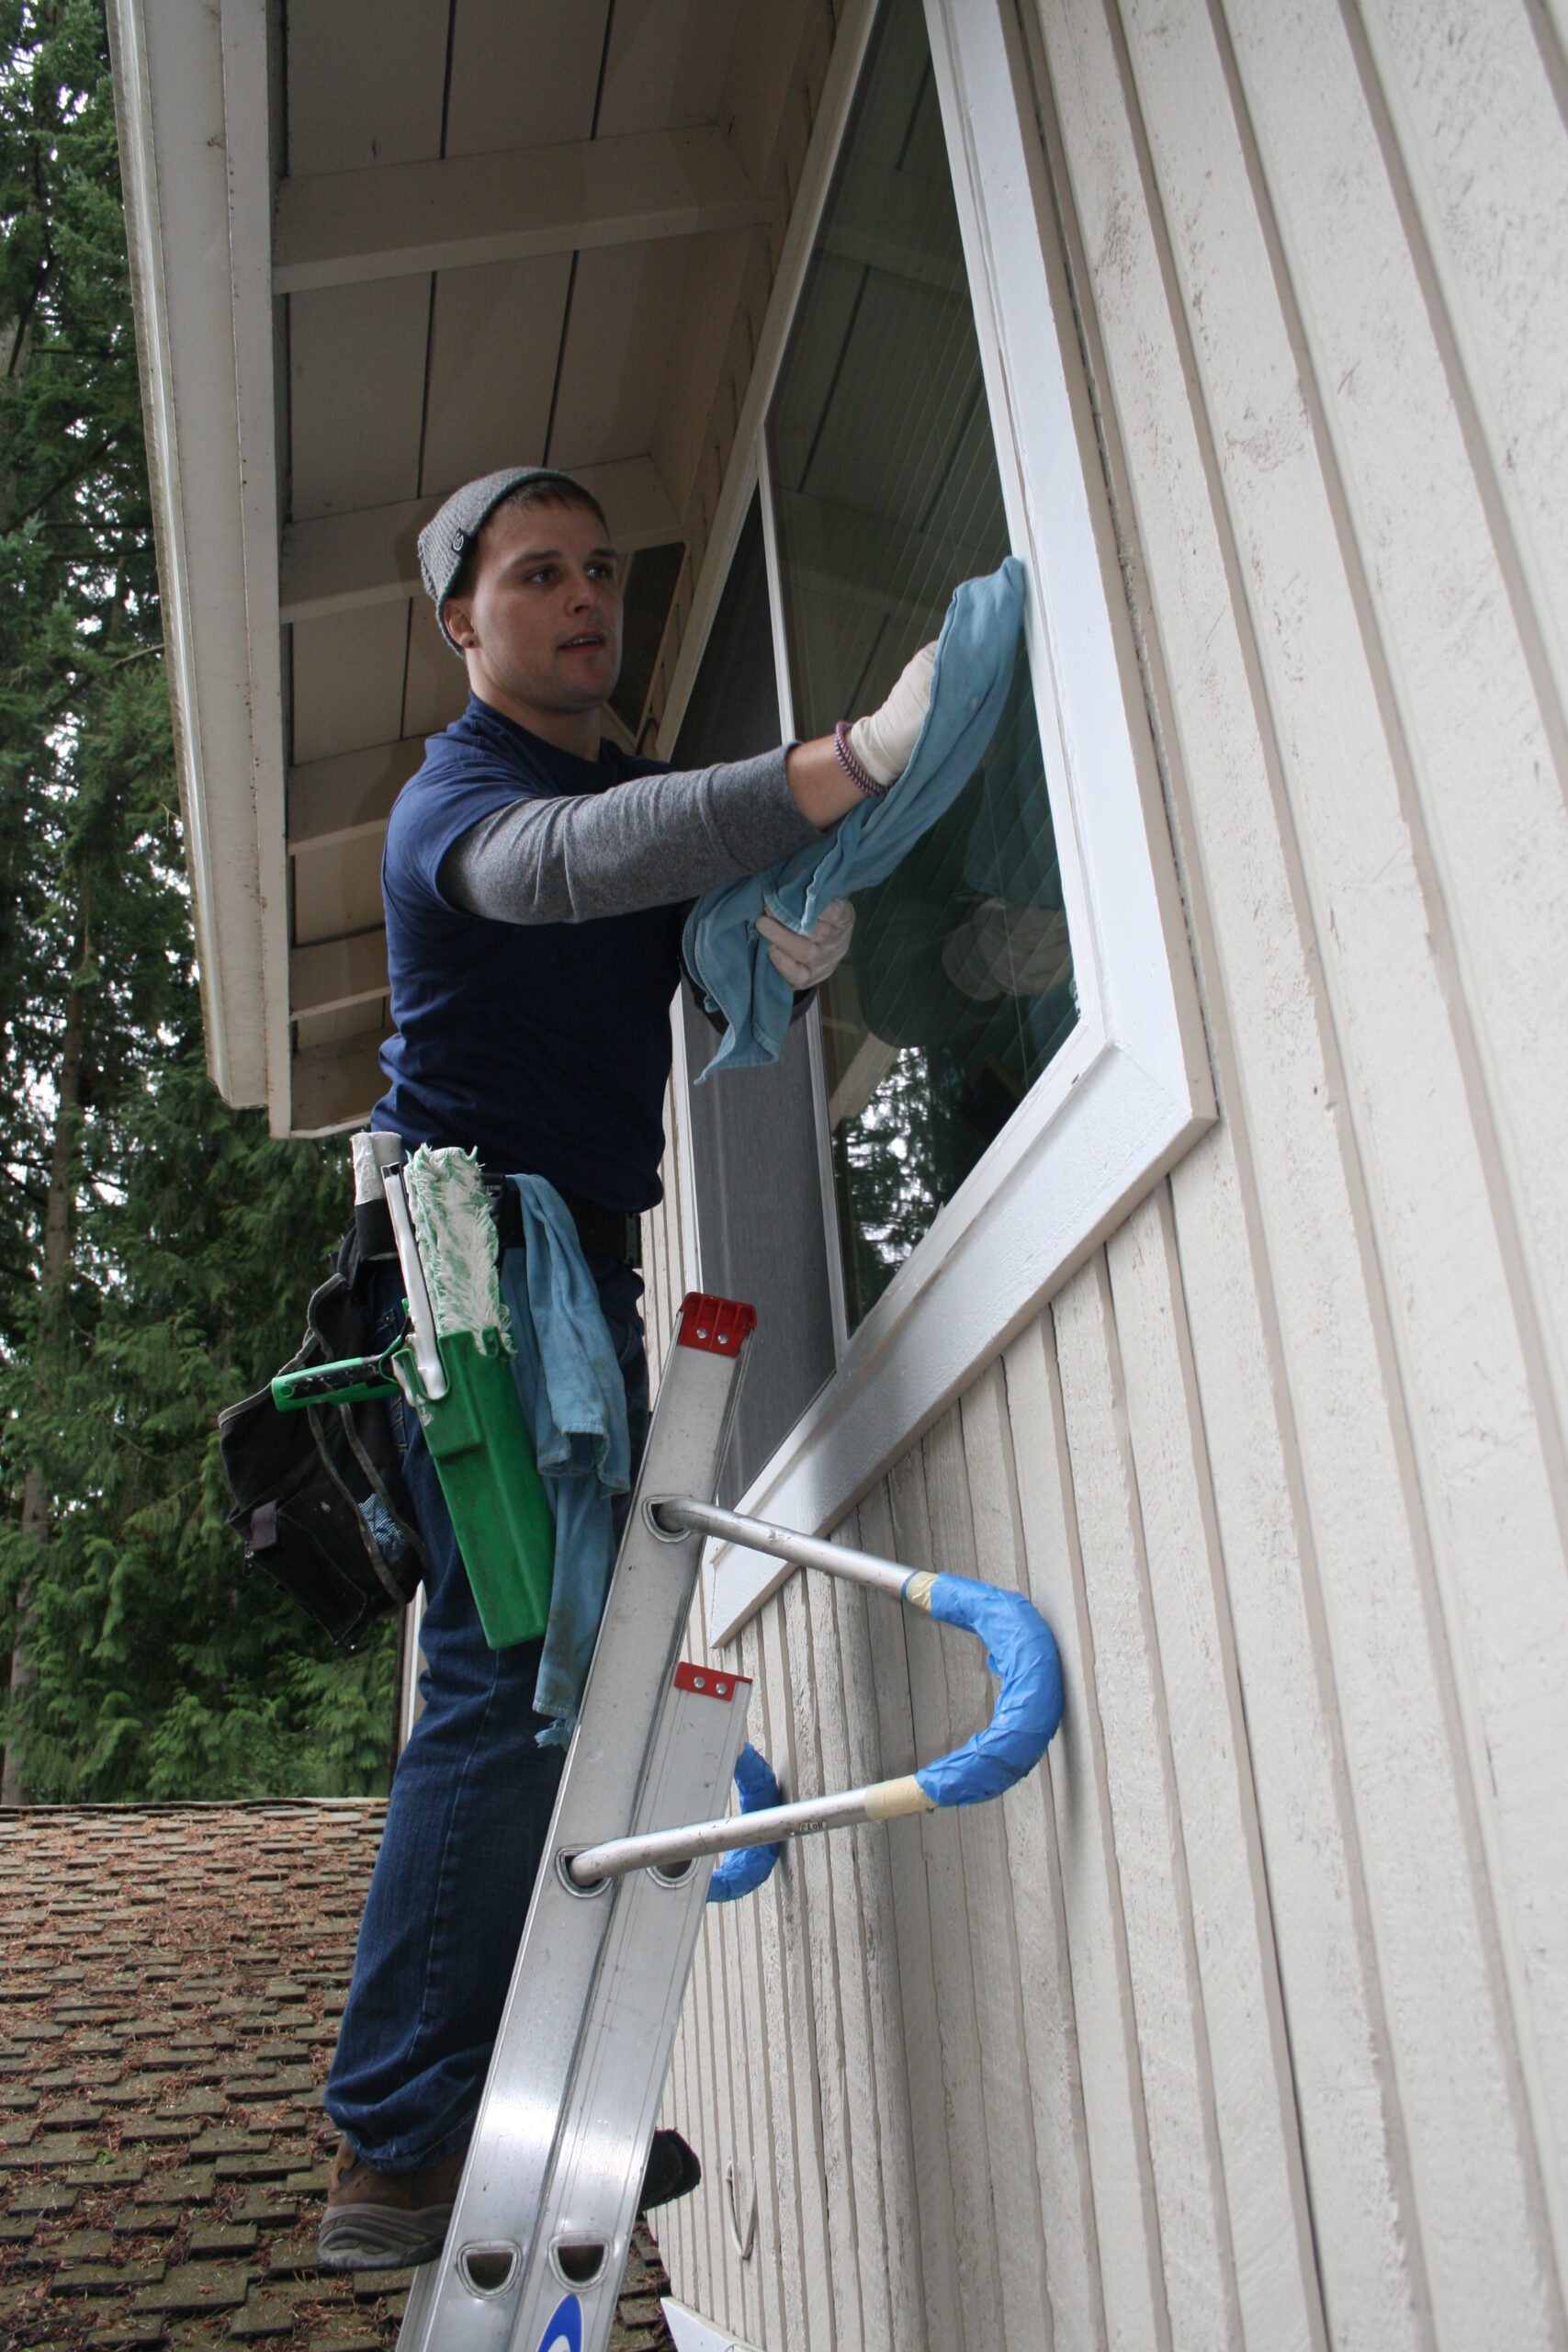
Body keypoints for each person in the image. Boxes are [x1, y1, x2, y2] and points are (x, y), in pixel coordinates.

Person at [316, 465, 937, 2272]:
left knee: (565, 1682)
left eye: (600, 568)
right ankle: (395, 2130)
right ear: (462, 621)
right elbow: (577, 871)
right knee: (509, 1660)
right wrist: (835, 766)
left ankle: (516, 2092)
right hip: (466, 1260)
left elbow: (691, 924)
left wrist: (779, 952)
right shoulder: (470, 799)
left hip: (567, 1255)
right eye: (536, 573)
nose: (584, 595)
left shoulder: (616, 794)